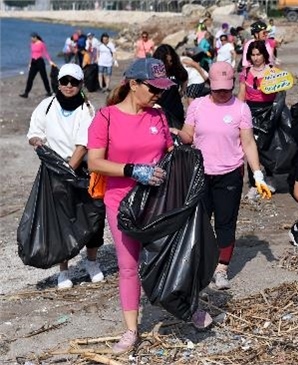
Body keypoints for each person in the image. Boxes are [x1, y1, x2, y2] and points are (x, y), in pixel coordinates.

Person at [87, 58, 212, 353]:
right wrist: (132, 170)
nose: (158, 94)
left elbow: (170, 153)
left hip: (159, 200)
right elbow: (94, 162)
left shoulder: (157, 115)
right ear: (133, 84)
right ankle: (131, 330)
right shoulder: (105, 117)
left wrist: (185, 157)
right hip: (122, 203)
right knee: (129, 266)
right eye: (153, 88)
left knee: (174, 254)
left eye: (162, 89)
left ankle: (188, 307)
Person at [174, 61, 271, 290]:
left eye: (226, 89)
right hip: (200, 174)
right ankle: (200, 265)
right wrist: (175, 133)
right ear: (210, 85)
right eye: (217, 89)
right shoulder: (197, 106)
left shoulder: (240, 108)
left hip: (230, 174)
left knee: (225, 224)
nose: (221, 93)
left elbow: (248, 142)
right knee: (200, 223)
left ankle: (221, 268)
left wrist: (257, 174)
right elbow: (189, 135)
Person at [26, 63, 105, 289]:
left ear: (81, 84)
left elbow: (83, 144)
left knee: (93, 215)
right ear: (58, 82)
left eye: (73, 82)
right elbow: (34, 132)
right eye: (64, 81)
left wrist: (68, 170)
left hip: (82, 169)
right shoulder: (46, 105)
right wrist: (36, 142)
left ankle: (91, 262)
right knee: (61, 219)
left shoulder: (88, 109)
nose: (68, 86)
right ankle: (64, 271)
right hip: (54, 170)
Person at [238, 40, 279, 197]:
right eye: (253, 55)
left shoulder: (273, 71)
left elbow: (280, 93)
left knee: (268, 145)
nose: (255, 58)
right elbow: (241, 95)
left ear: (264, 55)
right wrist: (239, 113)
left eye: (258, 54)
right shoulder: (246, 72)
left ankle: (269, 177)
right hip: (250, 111)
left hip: (268, 112)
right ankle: (254, 183)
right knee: (250, 145)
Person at [153, 44, 188, 129]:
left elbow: (184, 77)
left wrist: (183, 90)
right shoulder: (153, 72)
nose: (170, 63)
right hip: (159, 111)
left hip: (176, 110)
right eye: (167, 61)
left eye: (171, 60)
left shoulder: (176, 69)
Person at [20, 33, 56, 98]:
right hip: (33, 62)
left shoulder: (42, 44)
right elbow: (32, 54)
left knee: (44, 77)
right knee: (30, 78)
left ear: (36, 37)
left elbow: (45, 53)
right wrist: (30, 63)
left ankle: (48, 92)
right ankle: (26, 93)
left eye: (32, 38)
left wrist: (50, 61)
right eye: (30, 38)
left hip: (40, 62)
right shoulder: (31, 44)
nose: (31, 39)